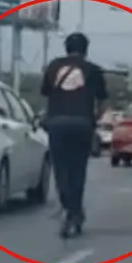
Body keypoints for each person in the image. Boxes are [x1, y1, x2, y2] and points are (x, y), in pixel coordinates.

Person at [40, 32, 109, 238]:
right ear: (86, 49)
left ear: (66, 48)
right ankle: (75, 211)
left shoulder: (53, 67)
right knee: (78, 170)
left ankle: (70, 208)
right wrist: (94, 118)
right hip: (82, 125)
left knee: (61, 170)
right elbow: (103, 101)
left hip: (58, 124)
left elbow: (46, 94)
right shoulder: (94, 70)